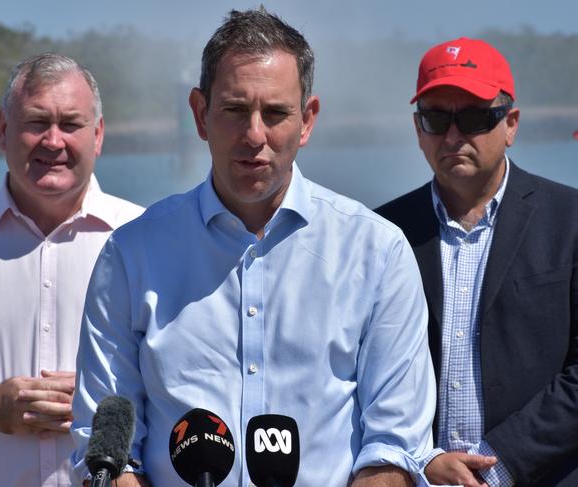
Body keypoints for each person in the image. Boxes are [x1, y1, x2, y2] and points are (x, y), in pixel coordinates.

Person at [71, 8, 435, 487]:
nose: (255, 135)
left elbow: (395, 450)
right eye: (236, 110)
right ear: (201, 114)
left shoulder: (378, 252)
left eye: (276, 113)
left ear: (307, 120)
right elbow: (106, 449)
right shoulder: (129, 255)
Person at [0, 53, 143, 486]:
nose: (53, 140)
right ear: (4, 131)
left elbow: (188, 388)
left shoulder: (146, 238)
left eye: (71, 124)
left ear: (97, 135)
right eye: (36, 122)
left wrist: (101, 403)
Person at [377, 37, 578, 486]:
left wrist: (497, 464)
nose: (452, 136)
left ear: (511, 124)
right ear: (417, 129)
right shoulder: (381, 234)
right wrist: (421, 462)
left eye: (472, 117)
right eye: (435, 118)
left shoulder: (570, 222)